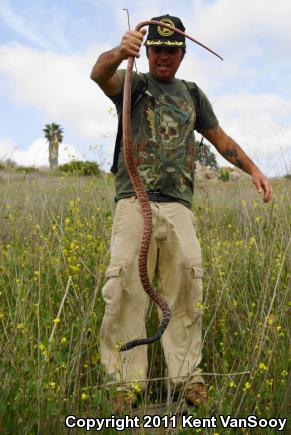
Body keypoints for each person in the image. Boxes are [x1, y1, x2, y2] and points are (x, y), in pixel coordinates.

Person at [90, 14, 272, 411]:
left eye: (171, 50)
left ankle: (187, 378)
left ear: (182, 54)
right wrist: (119, 52)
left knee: (187, 285)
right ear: (147, 50)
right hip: (133, 201)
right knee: (124, 287)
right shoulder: (134, 83)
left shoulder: (192, 93)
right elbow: (99, 74)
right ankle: (126, 384)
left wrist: (255, 170)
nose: (163, 57)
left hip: (178, 205)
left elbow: (219, 137)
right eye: (156, 49)